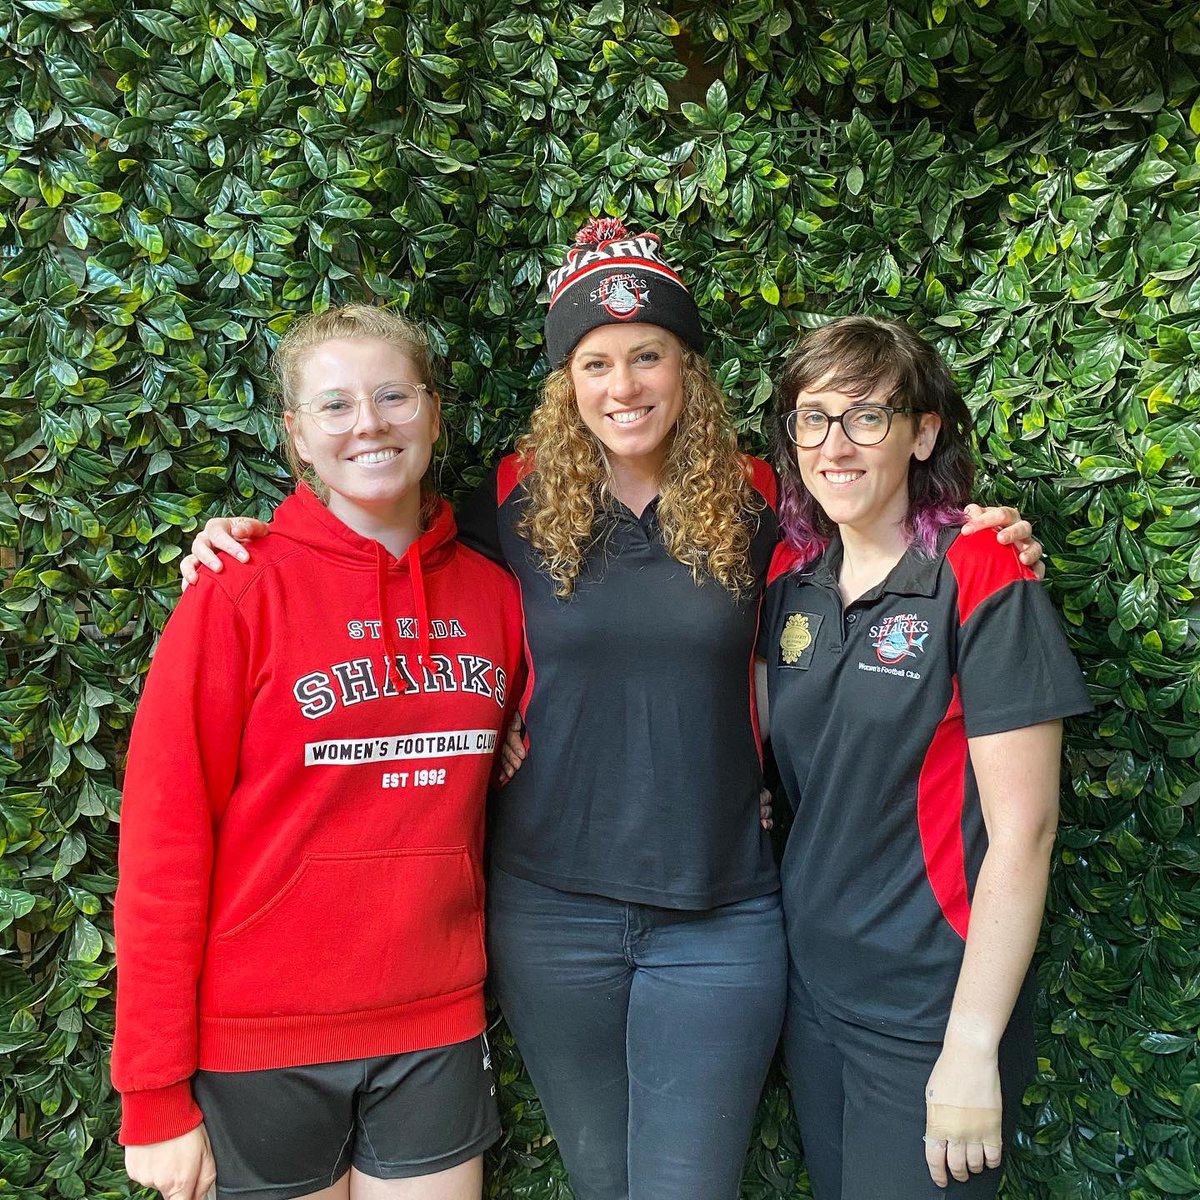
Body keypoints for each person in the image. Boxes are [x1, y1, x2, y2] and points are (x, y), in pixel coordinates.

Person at [178, 221, 1043, 1200]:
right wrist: (246, 541)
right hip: (553, 914)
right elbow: (376, 557)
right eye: (595, 362)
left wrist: (976, 528)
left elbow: (879, 549)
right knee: (599, 1180)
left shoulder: (771, 502)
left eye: (647, 355)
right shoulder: (506, 497)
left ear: (687, 368)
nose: (623, 384)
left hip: (721, 911)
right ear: (567, 381)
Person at [113, 305, 525, 1200]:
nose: (369, 424)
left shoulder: (497, 595)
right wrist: (151, 1094)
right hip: (263, 1041)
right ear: (296, 435)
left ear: (434, 412)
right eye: (334, 406)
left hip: (434, 1025)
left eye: (391, 396)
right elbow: (161, 848)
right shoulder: (234, 596)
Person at [760, 316, 1090, 1199]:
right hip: (813, 992)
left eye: (867, 417)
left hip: (927, 1012)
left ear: (923, 432)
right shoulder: (791, 582)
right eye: (813, 417)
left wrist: (972, 1046)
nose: (836, 444)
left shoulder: (980, 569)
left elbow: (1027, 829)